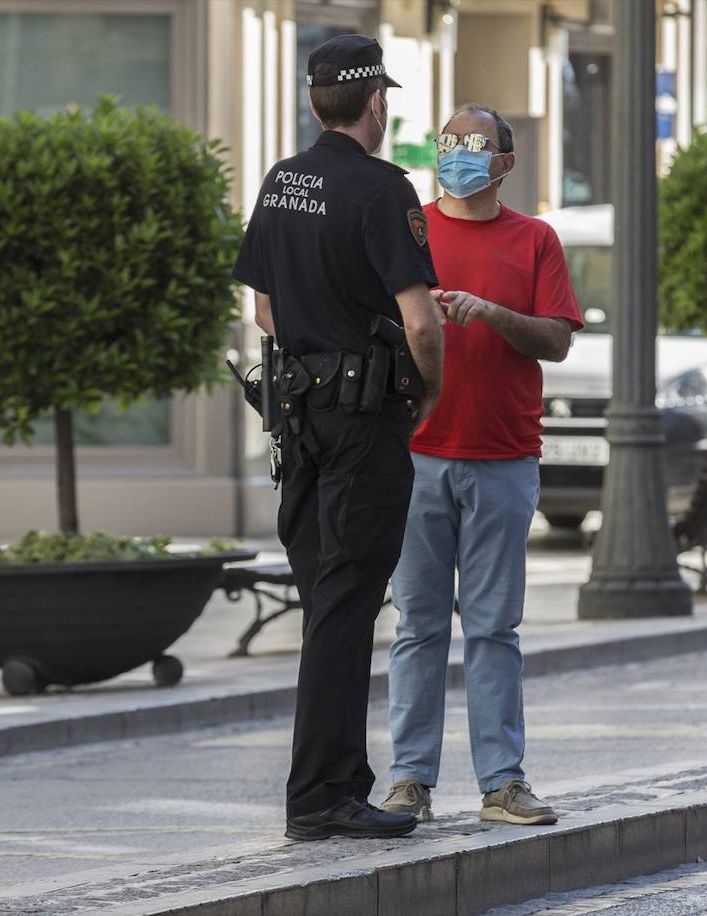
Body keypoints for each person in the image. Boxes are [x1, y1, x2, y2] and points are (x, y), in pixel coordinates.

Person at [233, 34, 445, 841]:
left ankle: (331, 786)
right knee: (347, 609)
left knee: (329, 604)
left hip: (298, 425)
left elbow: (263, 311)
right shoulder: (384, 189)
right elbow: (422, 322)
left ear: (316, 100)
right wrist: (426, 391)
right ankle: (321, 796)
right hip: (362, 429)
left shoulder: (282, 181)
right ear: (377, 103)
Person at [379, 105, 583, 826]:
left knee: (495, 628)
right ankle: (409, 782)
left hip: (501, 459)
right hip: (417, 458)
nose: (459, 154)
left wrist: (489, 312)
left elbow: (557, 341)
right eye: (449, 142)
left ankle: (503, 783)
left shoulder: (535, 240)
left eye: (475, 145)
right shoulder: (410, 232)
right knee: (418, 627)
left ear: (505, 162)